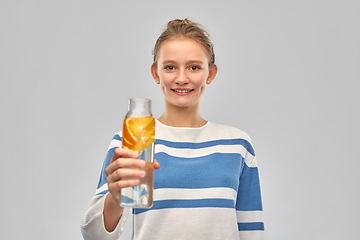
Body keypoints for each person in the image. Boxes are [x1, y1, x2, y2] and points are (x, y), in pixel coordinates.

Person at [81, 18, 264, 240]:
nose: (181, 78)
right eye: (170, 67)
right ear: (156, 73)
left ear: (211, 73)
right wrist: (114, 197)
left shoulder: (237, 145)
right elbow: (95, 235)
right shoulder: (133, 140)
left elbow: (252, 232)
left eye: (194, 67)